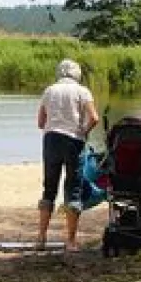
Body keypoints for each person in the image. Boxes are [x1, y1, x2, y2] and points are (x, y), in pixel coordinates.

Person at [36, 59, 100, 251]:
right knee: (73, 189)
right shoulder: (82, 91)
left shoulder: (49, 90)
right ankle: (70, 241)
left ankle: (41, 238)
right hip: (73, 141)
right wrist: (84, 131)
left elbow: (40, 122)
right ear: (77, 74)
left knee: (49, 188)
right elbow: (94, 118)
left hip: (51, 140)